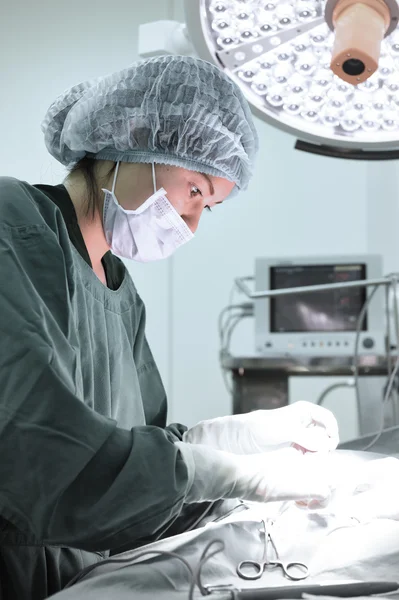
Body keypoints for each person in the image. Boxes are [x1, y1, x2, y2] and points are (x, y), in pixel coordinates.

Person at [0, 55, 339, 600]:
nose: (192, 223)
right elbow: (34, 449)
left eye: (211, 207)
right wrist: (222, 472)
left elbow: (130, 460)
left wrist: (227, 442)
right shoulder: (12, 227)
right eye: (196, 190)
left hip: (79, 577)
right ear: (135, 139)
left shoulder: (118, 291)